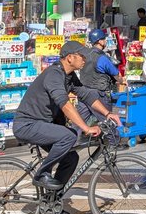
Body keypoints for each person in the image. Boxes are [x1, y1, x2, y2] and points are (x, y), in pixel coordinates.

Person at [12, 41, 120, 191]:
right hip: (27, 125)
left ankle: (51, 201)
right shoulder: (54, 74)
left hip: (44, 125)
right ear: (70, 58)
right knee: (68, 136)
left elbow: (87, 95)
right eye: (82, 56)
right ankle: (41, 174)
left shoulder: (68, 76)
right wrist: (85, 128)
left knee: (71, 158)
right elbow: (65, 104)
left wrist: (108, 113)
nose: (85, 59)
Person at [79, 29, 126, 99]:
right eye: (104, 39)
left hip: (84, 93)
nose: (106, 41)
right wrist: (123, 81)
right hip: (99, 95)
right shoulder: (102, 58)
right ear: (100, 41)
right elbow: (116, 75)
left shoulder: (84, 55)